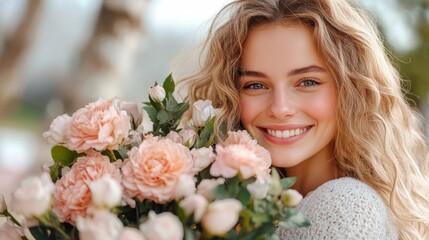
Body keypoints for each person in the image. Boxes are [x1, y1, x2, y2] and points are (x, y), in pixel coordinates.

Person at [180, 0, 429, 239]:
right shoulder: (234, 203)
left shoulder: (346, 206)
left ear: (351, 91)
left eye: (307, 82)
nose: (280, 108)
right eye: (255, 85)